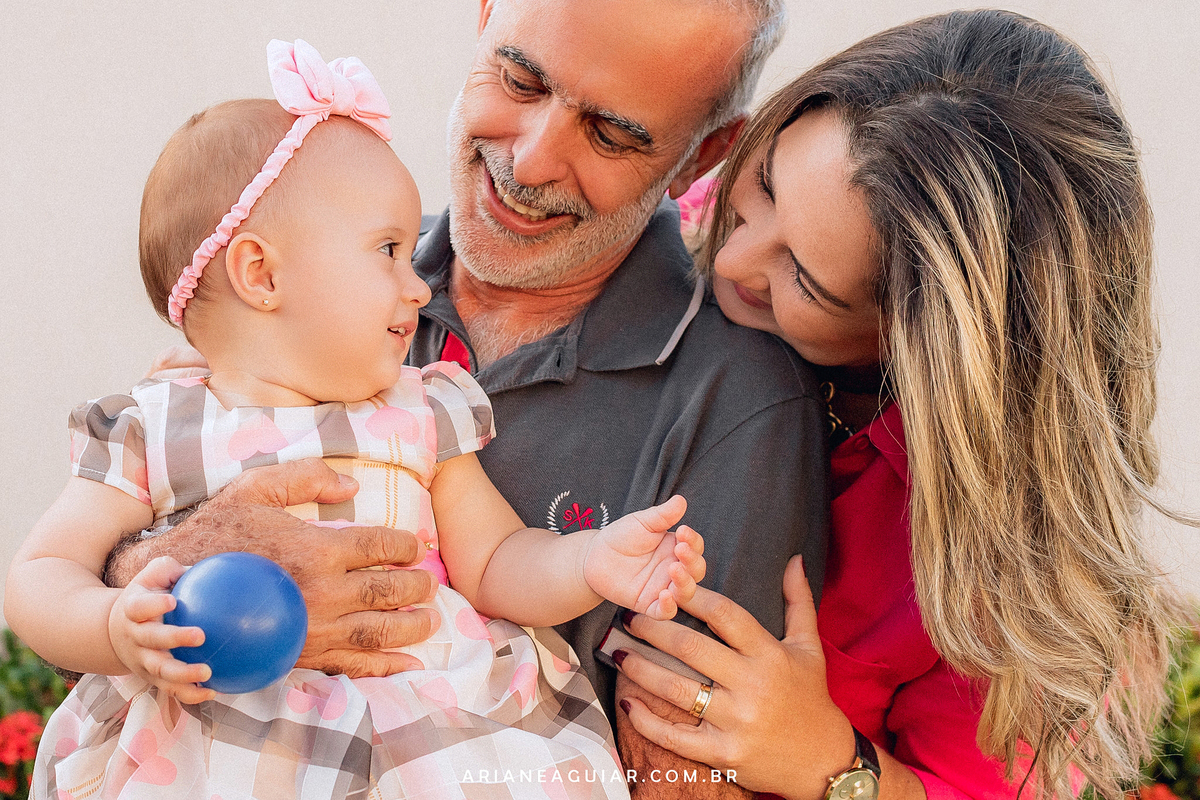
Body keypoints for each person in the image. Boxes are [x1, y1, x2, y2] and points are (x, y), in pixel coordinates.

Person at [102, 1, 830, 794]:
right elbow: (78, 581)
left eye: (610, 134)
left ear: (703, 155)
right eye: (520, 79)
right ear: (484, 13)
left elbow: (692, 771)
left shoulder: (737, 399)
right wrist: (157, 571)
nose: (533, 159)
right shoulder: (315, 281)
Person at [614, 9, 1186, 800]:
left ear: (921, 341)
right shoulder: (660, 233)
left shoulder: (996, 560)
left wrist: (826, 759)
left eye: (804, 278)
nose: (733, 257)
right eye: (765, 186)